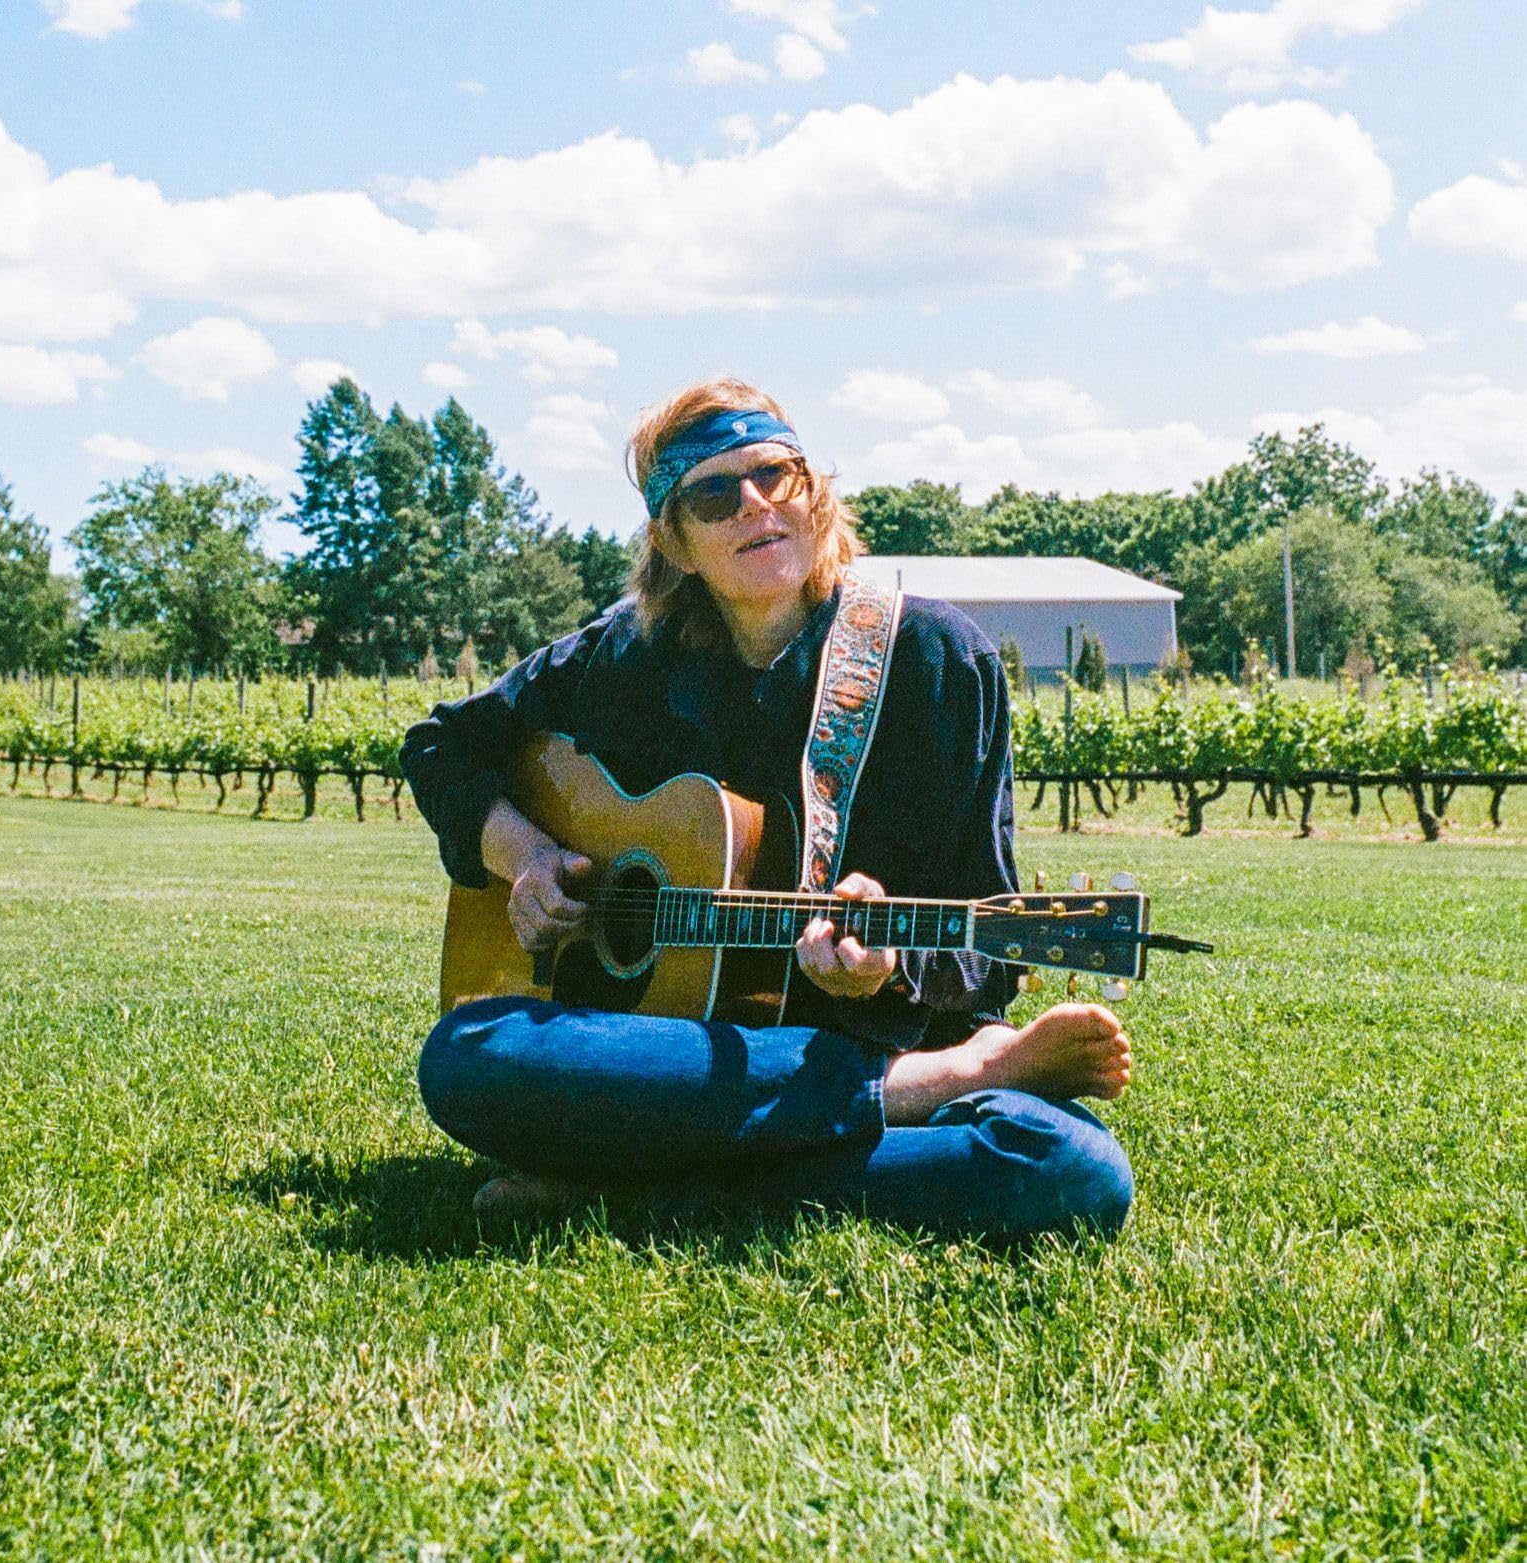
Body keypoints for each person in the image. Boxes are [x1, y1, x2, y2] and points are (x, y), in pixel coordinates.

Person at [400, 378, 1134, 1239]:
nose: (754, 504)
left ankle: (630, 1189)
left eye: (776, 476)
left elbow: (981, 943)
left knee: (1068, 1167)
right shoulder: (623, 655)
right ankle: (923, 1091)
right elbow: (443, 745)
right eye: (715, 494)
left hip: (876, 1036)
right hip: (667, 1054)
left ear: (813, 497)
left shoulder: (935, 659)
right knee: (469, 1053)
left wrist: (888, 965)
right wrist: (522, 854)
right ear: (673, 542)